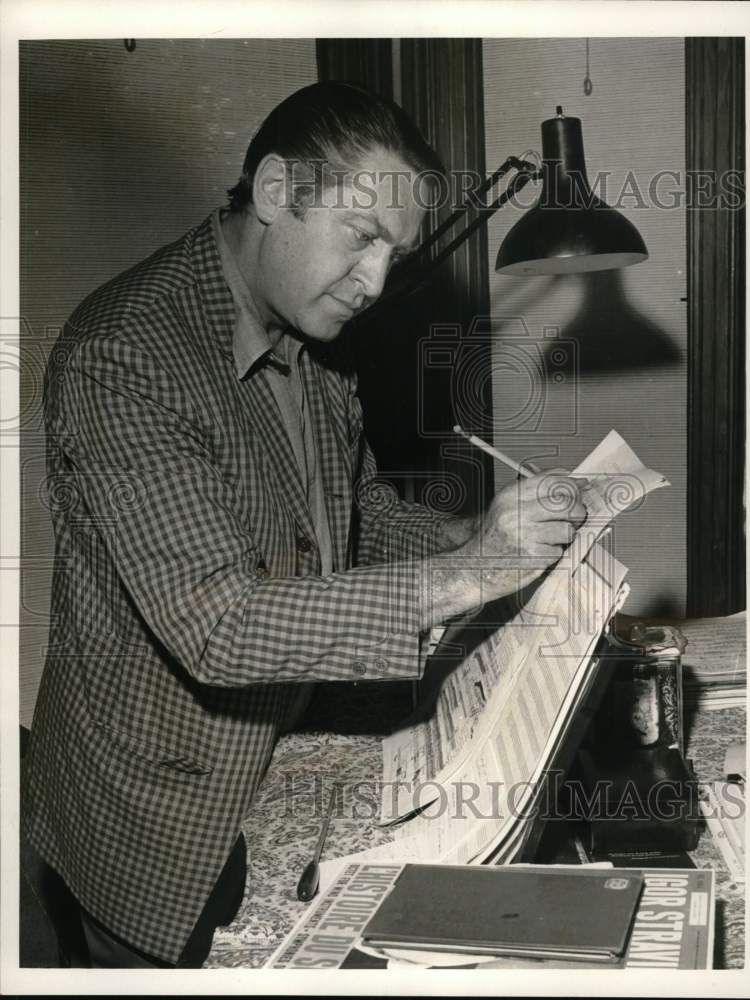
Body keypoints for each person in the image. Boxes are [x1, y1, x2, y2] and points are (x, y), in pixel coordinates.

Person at [21, 81, 587, 968]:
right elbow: (218, 624)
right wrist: (469, 572)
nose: (375, 285)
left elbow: (352, 509)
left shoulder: (310, 330)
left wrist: (488, 536)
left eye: (393, 257)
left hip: (276, 752)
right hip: (147, 809)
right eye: (362, 239)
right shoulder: (125, 355)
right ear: (280, 192)